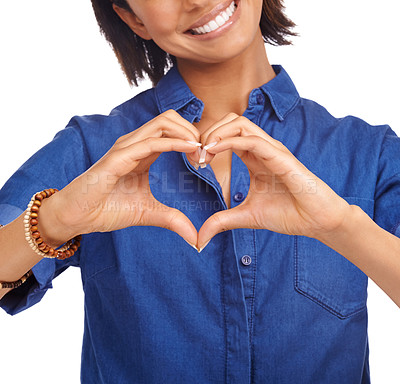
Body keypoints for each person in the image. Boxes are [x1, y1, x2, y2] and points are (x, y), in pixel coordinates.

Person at [0, 0, 399, 383]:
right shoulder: (93, 150)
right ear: (132, 17)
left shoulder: (370, 152)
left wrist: (342, 228)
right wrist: (52, 221)